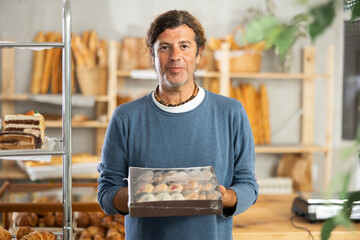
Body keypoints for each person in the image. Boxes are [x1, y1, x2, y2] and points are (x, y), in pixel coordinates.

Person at [97, 9, 258, 240]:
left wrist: (226, 197)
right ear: (152, 56)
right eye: (164, 47)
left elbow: (249, 186)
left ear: (199, 53)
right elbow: (106, 194)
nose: (175, 56)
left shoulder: (230, 112)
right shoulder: (125, 117)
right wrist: (137, 195)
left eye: (184, 46)